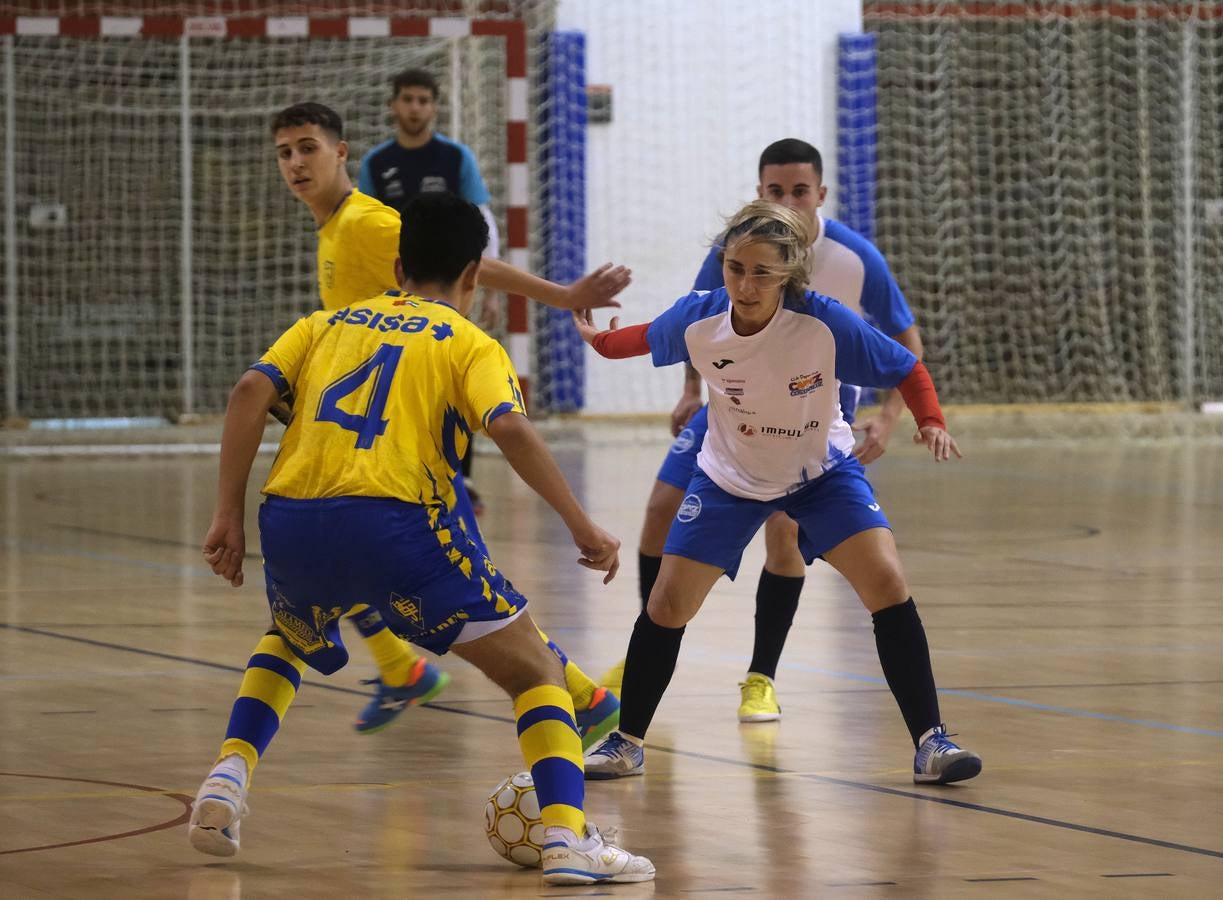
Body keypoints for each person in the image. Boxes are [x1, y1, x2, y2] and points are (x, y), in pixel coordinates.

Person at [187, 192, 654, 885]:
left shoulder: (324, 323)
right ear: (473, 277)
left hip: (290, 516)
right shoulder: (470, 341)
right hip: (397, 524)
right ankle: (565, 839)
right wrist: (582, 525)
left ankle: (227, 777)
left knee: (287, 634)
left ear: (397, 265)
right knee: (535, 673)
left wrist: (225, 515)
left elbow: (248, 393)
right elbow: (511, 428)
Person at [577, 200, 982, 787]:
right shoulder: (699, 318)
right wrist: (596, 338)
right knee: (667, 606)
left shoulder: (827, 323)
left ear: (789, 274)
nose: (745, 283)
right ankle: (626, 743)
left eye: (761, 272)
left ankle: (931, 742)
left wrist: (931, 420)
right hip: (729, 478)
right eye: (736, 267)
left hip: (821, 474)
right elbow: (636, 340)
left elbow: (908, 368)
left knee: (888, 584)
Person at [271, 102, 621, 744]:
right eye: (286, 151)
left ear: (341, 152)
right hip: (371, 431)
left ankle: (577, 694)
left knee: (452, 584)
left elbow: (468, 263)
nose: (296, 162)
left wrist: (565, 297)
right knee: (357, 561)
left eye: (308, 148)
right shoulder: (332, 229)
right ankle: (406, 669)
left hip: (412, 426)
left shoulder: (369, 223)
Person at [602, 139, 925, 727]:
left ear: (820, 194)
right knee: (658, 510)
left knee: (784, 534)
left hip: (806, 408)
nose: (788, 201)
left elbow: (905, 345)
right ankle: (643, 656)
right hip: (730, 400)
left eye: (799, 191)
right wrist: (690, 393)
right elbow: (696, 321)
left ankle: (761, 677)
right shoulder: (742, 248)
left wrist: (890, 417)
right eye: (775, 191)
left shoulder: (855, 261)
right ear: (760, 193)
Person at [359, 67, 500, 508]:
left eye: (423, 100)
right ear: (393, 106)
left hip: (449, 289)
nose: (415, 108)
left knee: (453, 379)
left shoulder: (455, 158)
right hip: (394, 288)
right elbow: (362, 229)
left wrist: (486, 288)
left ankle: (463, 476)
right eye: (408, 99)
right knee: (393, 377)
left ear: (433, 106)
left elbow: (483, 223)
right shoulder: (376, 164)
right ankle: (387, 468)